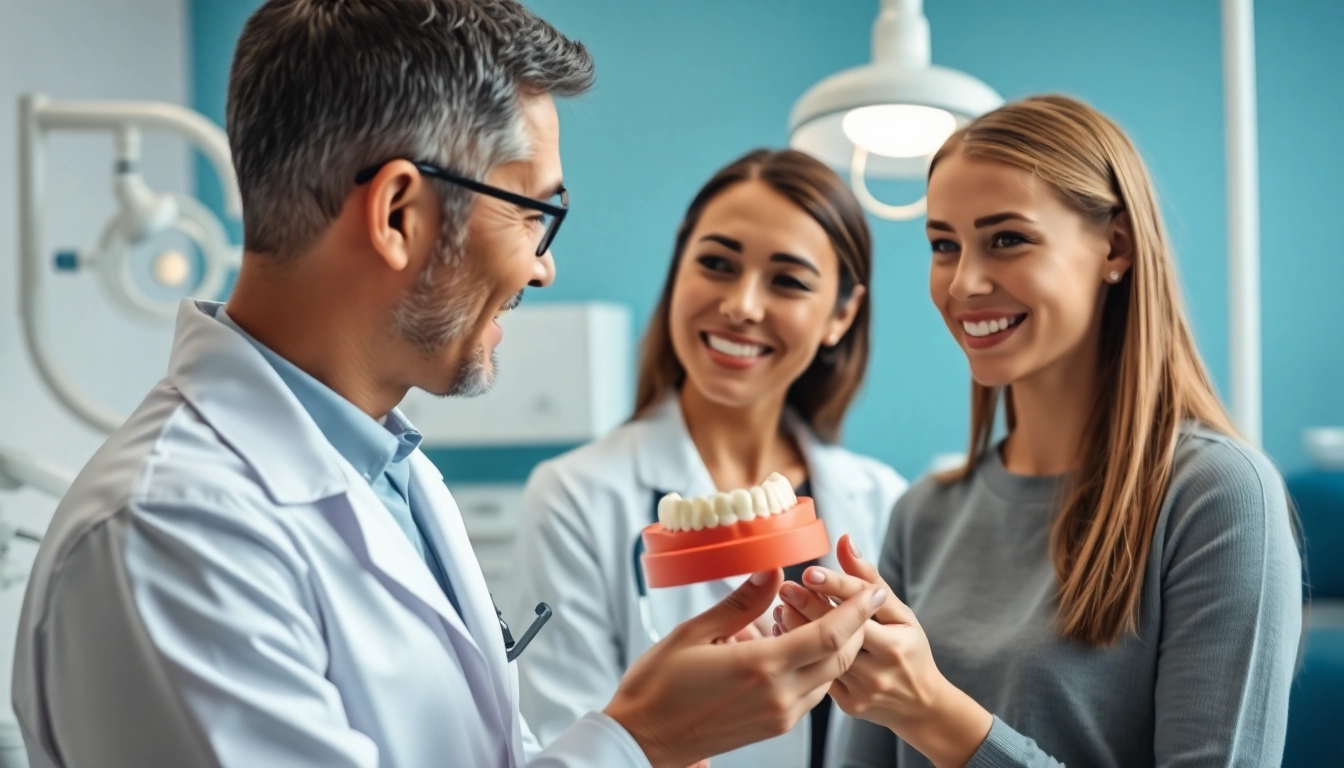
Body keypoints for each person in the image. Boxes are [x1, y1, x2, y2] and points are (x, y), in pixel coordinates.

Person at [9, 3, 889, 767]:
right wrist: (637, 740)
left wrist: (666, 735)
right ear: (400, 214)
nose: (544, 269)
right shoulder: (170, 537)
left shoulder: (394, 474)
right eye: (535, 215)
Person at [771, 95, 1303, 767]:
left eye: (1007, 239)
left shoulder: (1219, 499)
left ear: (1115, 246)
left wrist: (935, 714)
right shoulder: (924, 516)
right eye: (944, 245)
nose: (964, 282)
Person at [511, 148, 909, 768]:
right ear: (679, 269)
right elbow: (570, 743)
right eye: (717, 264)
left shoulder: (884, 500)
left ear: (841, 315)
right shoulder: (574, 496)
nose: (742, 305)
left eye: (788, 280)